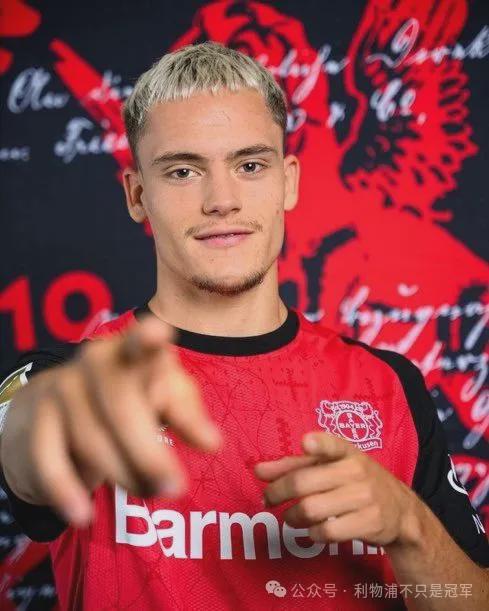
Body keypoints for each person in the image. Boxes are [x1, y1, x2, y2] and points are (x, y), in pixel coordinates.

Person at [0, 42, 487, 610]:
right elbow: (25, 442)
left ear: (288, 181)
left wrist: (410, 526)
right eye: (183, 171)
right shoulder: (79, 375)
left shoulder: (389, 385)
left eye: (250, 165)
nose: (221, 200)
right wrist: (55, 411)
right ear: (137, 195)